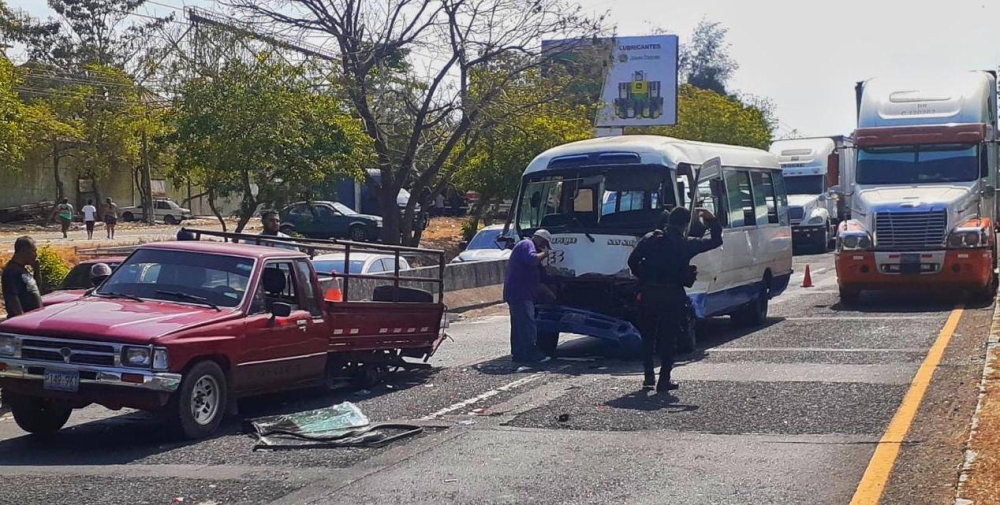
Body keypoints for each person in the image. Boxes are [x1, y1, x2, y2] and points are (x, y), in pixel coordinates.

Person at [627, 207, 723, 392]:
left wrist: (644, 277)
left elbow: (632, 261)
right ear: (685, 225)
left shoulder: (649, 239)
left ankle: (648, 377)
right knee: (668, 338)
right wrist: (711, 220)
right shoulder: (685, 243)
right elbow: (715, 241)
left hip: (649, 293)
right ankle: (664, 380)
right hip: (672, 294)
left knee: (648, 336)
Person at [502, 229, 553, 365]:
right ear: (541, 241)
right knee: (526, 324)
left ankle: (519, 354)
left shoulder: (528, 247)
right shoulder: (526, 244)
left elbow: (541, 275)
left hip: (520, 293)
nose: (545, 248)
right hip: (520, 293)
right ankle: (530, 353)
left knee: (519, 325)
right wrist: (545, 254)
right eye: (545, 244)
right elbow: (531, 260)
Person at [2, 236, 43, 318]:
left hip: (33, 317)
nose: (36, 255)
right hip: (24, 321)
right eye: (33, 251)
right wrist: (22, 319)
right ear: (23, 251)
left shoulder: (23, 269)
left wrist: (37, 270)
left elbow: (35, 288)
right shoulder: (11, 271)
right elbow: (12, 298)